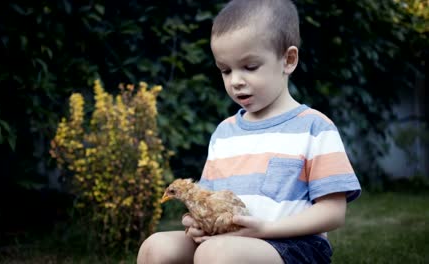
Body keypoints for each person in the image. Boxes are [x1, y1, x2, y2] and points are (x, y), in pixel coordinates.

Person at [137, 0, 361, 263]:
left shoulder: (314, 128)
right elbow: (206, 201)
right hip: (226, 241)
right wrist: (195, 222)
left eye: (250, 67)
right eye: (225, 70)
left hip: (294, 245)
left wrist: (265, 229)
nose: (235, 81)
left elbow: (333, 212)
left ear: (288, 60)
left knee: (216, 253)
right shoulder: (224, 133)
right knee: (156, 247)